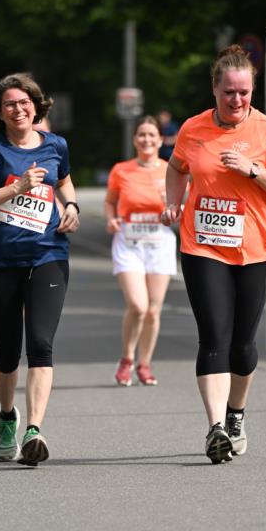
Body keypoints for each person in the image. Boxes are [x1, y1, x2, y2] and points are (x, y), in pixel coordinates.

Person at [162, 45, 266, 464]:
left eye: (244, 92)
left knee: (243, 345)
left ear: (252, 90)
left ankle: (236, 413)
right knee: (214, 336)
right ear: (215, 90)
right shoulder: (193, 129)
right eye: (228, 93)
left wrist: (252, 169)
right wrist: (173, 202)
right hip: (202, 246)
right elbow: (176, 167)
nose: (236, 100)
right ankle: (216, 427)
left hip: (256, 250)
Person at [0, 73, 80, 467]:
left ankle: (35, 429)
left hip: (49, 254)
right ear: (0, 112)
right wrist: (16, 188)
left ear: (37, 105)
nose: (19, 108)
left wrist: (72, 207)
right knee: (7, 353)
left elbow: (64, 182)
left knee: (41, 344)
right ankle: (7, 417)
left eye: (25, 101)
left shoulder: (55, 145)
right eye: (11, 104)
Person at [105, 115, 176, 386]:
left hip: (160, 242)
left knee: (153, 311)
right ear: (135, 139)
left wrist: (171, 208)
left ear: (160, 140)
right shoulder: (121, 170)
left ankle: (144, 364)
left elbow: (182, 209)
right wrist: (111, 218)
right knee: (138, 305)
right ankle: (127, 358)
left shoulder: (171, 169)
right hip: (129, 241)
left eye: (151, 135)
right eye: (142, 135)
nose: (147, 139)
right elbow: (110, 202)